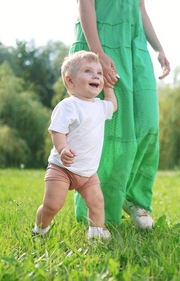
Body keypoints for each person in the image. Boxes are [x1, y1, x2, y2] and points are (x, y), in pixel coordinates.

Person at [70, 0, 171, 229]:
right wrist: (97, 55)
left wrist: (159, 49)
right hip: (101, 42)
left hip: (135, 47)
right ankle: (96, 210)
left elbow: (140, 9)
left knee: (148, 124)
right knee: (105, 130)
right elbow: (85, 5)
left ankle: (133, 198)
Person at [32, 50, 118, 240]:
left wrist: (109, 87)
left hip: (87, 172)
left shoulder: (99, 106)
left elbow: (112, 104)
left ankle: (95, 236)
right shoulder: (68, 105)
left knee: (97, 202)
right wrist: (62, 149)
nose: (96, 75)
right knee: (53, 205)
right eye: (88, 71)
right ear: (70, 81)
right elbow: (57, 131)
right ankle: (40, 230)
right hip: (62, 167)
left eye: (99, 73)